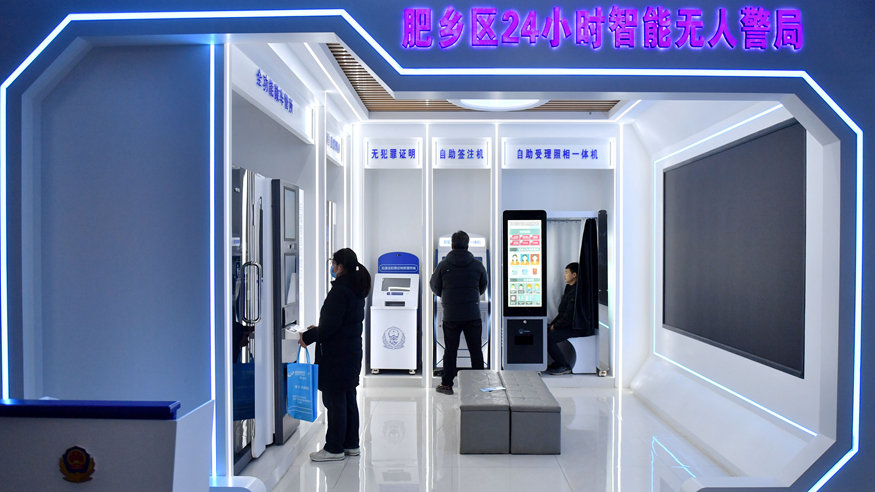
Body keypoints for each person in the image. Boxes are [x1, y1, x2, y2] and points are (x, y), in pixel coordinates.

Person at [299, 248, 371, 461]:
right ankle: (351, 444)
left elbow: (330, 327)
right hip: (350, 352)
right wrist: (319, 328)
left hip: (337, 355)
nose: (332, 267)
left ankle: (334, 448)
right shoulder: (356, 288)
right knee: (348, 398)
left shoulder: (340, 291)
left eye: (333, 263)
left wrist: (308, 336)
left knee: (335, 401)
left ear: (339, 266)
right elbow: (340, 322)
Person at [430, 231, 488, 395]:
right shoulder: (477, 265)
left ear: (451, 245)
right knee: (475, 350)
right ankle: (478, 385)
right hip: (472, 314)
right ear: (468, 245)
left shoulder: (443, 265)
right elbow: (483, 286)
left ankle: (447, 384)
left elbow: (434, 286)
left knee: (450, 350)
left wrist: (446, 296)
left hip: (451, 314)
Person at [544, 262, 579, 375]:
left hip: (575, 327)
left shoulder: (577, 292)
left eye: (566, 272)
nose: (564, 275)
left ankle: (564, 365)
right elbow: (562, 312)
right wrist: (553, 324)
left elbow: (569, 315)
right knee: (545, 332)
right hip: (567, 324)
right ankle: (558, 363)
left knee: (549, 338)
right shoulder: (569, 288)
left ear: (574, 275)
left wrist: (556, 326)